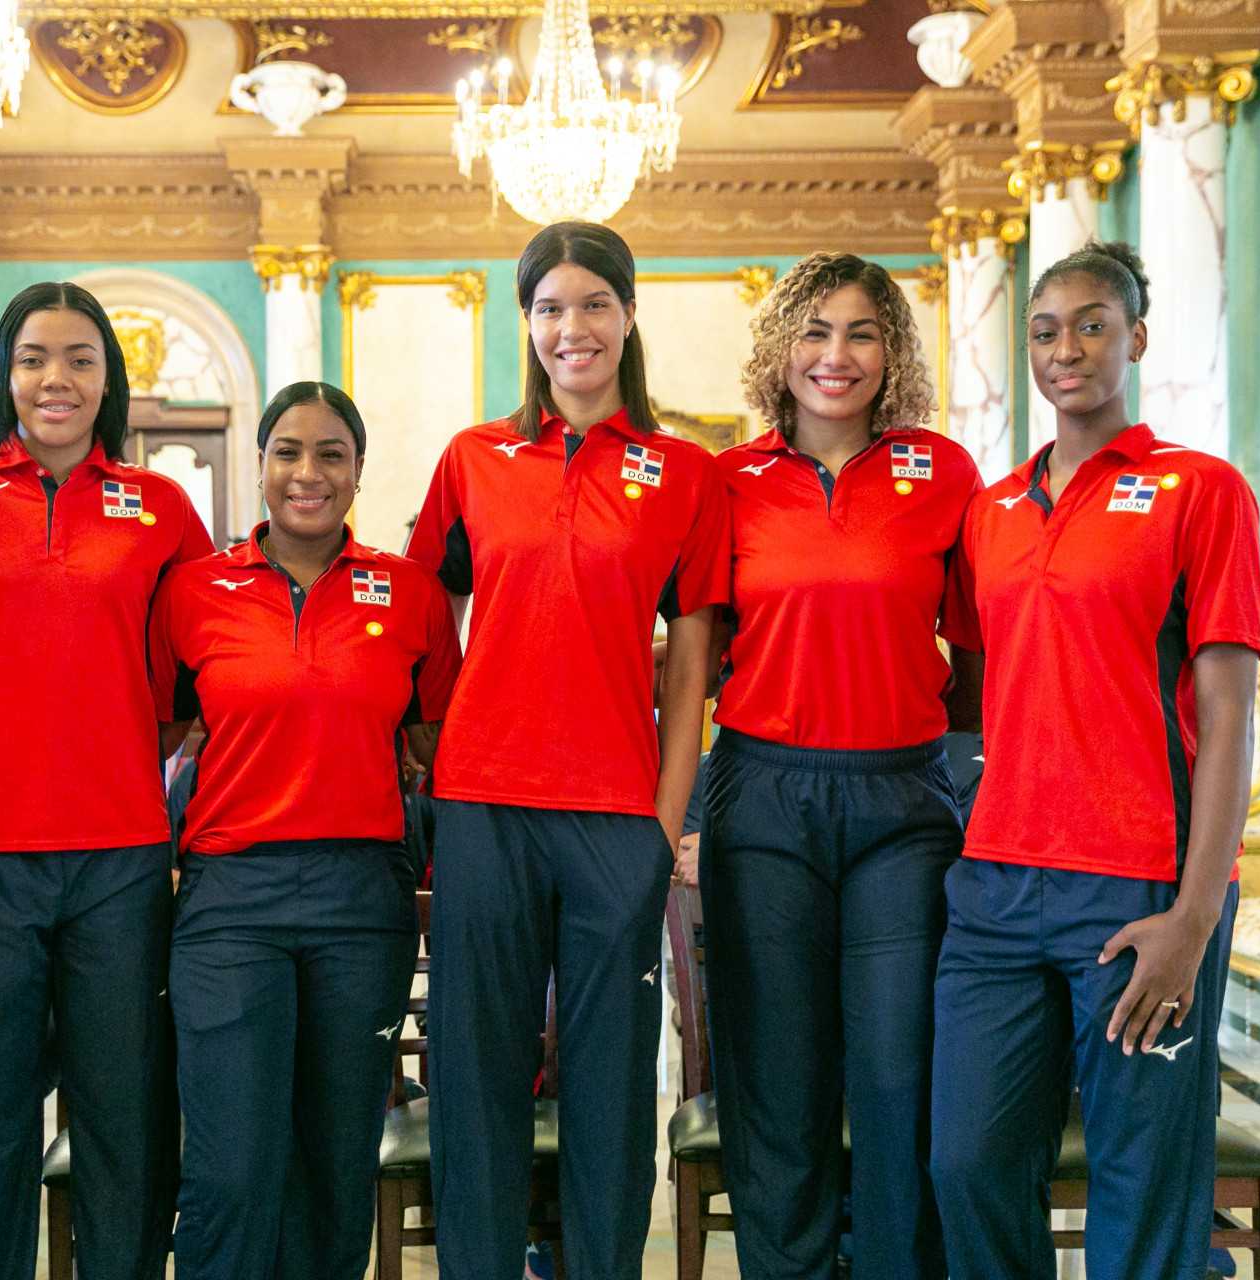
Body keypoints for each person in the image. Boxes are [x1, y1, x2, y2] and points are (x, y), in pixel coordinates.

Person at [930, 242, 1260, 1280]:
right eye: (1045, 331)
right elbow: (968, 693)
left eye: (1090, 325)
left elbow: (1229, 713)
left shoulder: (1199, 490)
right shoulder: (990, 511)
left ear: (1136, 339)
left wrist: (1194, 919)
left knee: (1142, 1180)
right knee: (967, 1164)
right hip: (994, 888)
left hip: (1139, 889)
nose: (1065, 349)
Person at [407, 221, 729, 1279]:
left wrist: (663, 826)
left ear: (629, 315)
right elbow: (427, 623)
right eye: (550, 307)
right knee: (476, 1080)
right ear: (527, 322)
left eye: (594, 303)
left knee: (611, 1086)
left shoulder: (684, 473)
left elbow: (689, 669)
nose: (572, 327)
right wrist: (450, 754)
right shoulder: (474, 459)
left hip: (614, 820)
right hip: (484, 811)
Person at [0, 281, 211, 1280]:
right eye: (33, 357)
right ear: (6, 373)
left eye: (80, 357)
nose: (56, 378)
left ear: (111, 378)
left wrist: (119, 741)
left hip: (120, 856)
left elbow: (200, 668)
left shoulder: (161, 507)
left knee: (123, 1112)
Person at [698, 254, 980, 1280]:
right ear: (779, 348)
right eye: (814, 331)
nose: (836, 355)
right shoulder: (727, 483)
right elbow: (692, 654)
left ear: (892, 351)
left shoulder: (942, 473)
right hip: (762, 797)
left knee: (901, 1072)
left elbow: (979, 654)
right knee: (777, 1078)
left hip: (903, 802)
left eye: (862, 332)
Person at [155, 381, 462, 1280]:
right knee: (230, 1169)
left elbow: (438, 746)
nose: (308, 473)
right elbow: (156, 736)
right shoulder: (192, 591)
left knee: (334, 1166)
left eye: (332, 454)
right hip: (229, 902)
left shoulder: (409, 594)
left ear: (359, 470)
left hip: (361, 902)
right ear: (260, 464)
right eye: (288, 451)